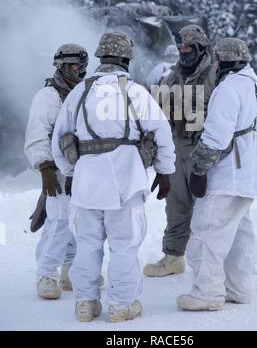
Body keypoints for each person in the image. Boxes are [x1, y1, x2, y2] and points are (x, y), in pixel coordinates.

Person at [52, 32, 175, 323]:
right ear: (126, 59)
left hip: (86, 184)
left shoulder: (79, 92)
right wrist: (165, 172)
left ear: (100, 58)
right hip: (126, 182)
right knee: (124, 246)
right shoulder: (135, 91)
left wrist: (69, 172)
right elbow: (162, 133)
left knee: (87, 246)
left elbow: (59, 139)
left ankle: (85, 304)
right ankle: (121, 305)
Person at [177, 38, 257, 311]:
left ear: (225, 62)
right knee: (240, 235)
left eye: (218, 59)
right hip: (249, 172)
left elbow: (216, 135)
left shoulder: (228, 89)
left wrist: (199, 169)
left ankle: (207, 293)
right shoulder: (254, 87)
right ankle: (237, 289)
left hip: (228, 174)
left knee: (207, 232)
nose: (215, 64)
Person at [143, 25, 215, 277]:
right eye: (181, 47)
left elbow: (227, 118)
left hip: (204, 151)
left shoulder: (214, 76)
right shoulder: (171, 76)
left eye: (188, 47)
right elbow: (157, 115)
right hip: (175, 149)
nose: (183, 52)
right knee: (176, 205)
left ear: (200, 47)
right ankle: (174, 257)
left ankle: (210, 262)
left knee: (208, 208)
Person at [24, 44, 89, 299]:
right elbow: (37, 134)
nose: (80, 71)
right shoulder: (48, 96)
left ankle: (69, 269)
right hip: (57, 172)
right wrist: (45, 168)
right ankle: (46, 273)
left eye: (82, 66)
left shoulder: (83, 92)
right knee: (59, 221)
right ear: (62, 67)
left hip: (80, 169)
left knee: (78, 221)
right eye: (75, 66)